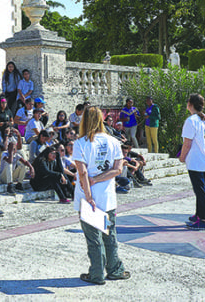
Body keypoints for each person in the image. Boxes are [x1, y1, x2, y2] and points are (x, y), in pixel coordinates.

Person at [73, 106, 130, 285]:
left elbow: (82, 173)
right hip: (106, 197)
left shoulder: (81, 143)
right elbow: (118, 169)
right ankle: (115, 269)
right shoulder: (113, 142)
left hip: (88, 197)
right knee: (109, 235)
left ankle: (97, 273)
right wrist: (98, 179)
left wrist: (89, 195)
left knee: (93, 238)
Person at [179, 94, 205, 230]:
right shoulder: (204, 118)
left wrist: (182, 157)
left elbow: (187, 143)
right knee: (201, 190)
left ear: (190, 104)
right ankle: (199, 214)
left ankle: (204, 220)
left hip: (196, 161)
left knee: (200, 192)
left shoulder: (191, 120)